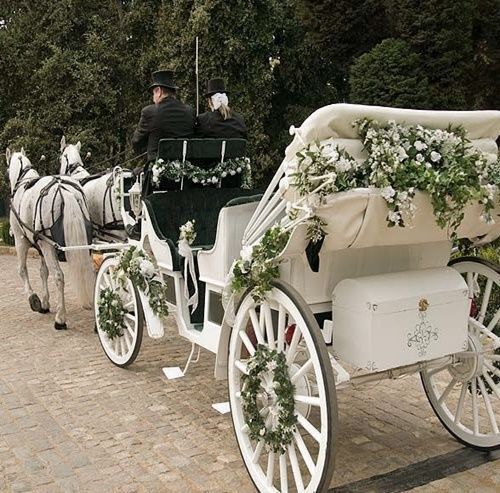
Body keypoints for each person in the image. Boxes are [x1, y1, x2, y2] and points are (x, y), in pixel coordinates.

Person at [132, 69, 196, 162]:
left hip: (157, 170)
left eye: (153, 93)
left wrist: (148, 152)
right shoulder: (190, 111)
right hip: (185, 169)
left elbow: (136, 141)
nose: (153, 98)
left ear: (159, 91)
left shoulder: (150, 112)